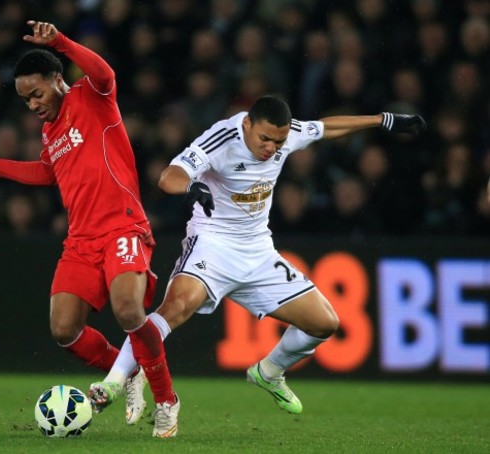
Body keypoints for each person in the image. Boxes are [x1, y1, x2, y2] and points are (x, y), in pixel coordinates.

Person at [90, 95, 426, 415]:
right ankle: (114, 383)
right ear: (248, 124)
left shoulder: (287, 133)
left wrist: (385, 120)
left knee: (325, 323)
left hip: (258, 251)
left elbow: (327, 127)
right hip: (213, 244)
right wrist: (193, 186)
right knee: (174, 309)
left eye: (278, 143)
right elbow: (169, 177)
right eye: (265, 138)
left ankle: (270, 371)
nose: (271, 148)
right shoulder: (222, 137)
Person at [0, 20, 179, 438]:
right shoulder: (49, 131)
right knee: (63, 329)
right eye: (25, 100)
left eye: (37, 94)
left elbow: (106, 74)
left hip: (121, 226)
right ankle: (126, 371)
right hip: (81, 239)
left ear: (58, 80)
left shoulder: (92, 96)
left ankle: (166, 399)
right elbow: (47, 173)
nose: (32, 105)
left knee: (129, 310)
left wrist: (60, 42)